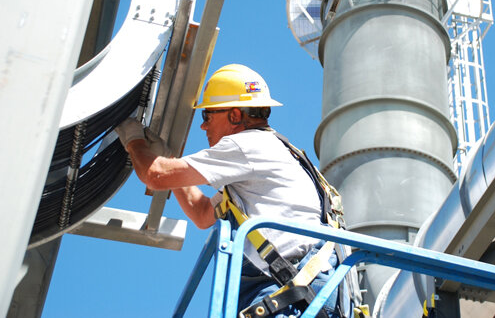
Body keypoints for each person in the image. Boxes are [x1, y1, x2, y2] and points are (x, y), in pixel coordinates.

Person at [115, 64, 346, 317]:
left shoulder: (247, 145)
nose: (204, 127)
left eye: (208, 116)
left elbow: (156, 176)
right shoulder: (275, 154)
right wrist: (169, 156)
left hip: (289, 289)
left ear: (235, 115)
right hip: (309, 290)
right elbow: (202, 213)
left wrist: (133, 141)